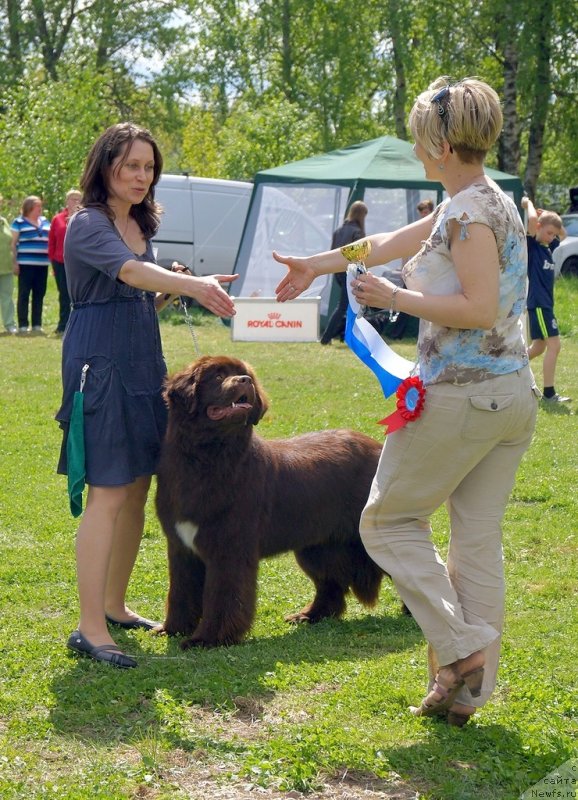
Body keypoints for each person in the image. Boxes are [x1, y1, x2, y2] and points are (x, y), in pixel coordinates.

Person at [273, 77, 538, 727]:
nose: (416, 151)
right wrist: (317, 262)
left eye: (420, 140)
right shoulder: (477, 200)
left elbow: (475, 308)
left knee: (386, 523)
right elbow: (387, 242)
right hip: (508, 398)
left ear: (442, 145)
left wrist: (396, 300)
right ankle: (465, 694)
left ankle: (460, 649)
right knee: (475, 544)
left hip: (463, 397)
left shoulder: (468, 213)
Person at [56, 122, 237, 669]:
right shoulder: (88, 223)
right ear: (105, 165)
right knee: (108, 493)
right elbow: (128, 272)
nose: (141, 176)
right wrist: (192, 285)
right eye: (130, 165)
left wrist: (169, 287)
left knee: (136, 486)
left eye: (149, 167)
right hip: (101, 366)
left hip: (144, 364)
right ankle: (89, 628)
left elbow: (137, 292)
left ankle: (112, 606)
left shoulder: (139, 221)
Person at [521, 196, 570, 403]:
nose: (552, 237)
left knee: (538, 347)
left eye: (552, 234)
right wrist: (528, 204)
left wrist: (550, 218)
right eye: (548, 233)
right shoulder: (532, 245)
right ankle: (549, 394)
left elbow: (563, 232)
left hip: (545, 305)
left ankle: (509, 365)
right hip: (539, 305)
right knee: (554, 345)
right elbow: (532, 221)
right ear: (538, 228)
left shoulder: (548, 247)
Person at [320, 201, 368, 345]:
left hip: (338, 271)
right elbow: (360, 256)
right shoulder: (357, 232)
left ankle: (344, 336)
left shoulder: (338, 231)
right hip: (351, 271)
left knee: (347, 305)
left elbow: (333, 251)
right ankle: (326, 337)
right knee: (346, 306)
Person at [11, 196, 51, 334]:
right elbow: (13, 244)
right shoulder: (19, 222)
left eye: (40, 206)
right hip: (25, 264)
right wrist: (14, 262)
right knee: (24, 294)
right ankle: (23, 324)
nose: (40, 209)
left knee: (39, 294)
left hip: (42, 264)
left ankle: (37, 324)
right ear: (29, 208)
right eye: (37, 206)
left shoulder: (45, 221)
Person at [48, 189, 82, 334]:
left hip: (79, 263)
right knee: (64, 294)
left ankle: (78, 324)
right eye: (73, 199)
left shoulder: (84, 217)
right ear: (67, 201)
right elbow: (52, 242)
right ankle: (63, 324)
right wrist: (52, 263)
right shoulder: (58, 219)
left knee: (78, 294)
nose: (76, 202)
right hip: (60, 261)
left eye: (78, 199)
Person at [0, 195, 16, 334]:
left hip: (6, 266)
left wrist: (14, 261)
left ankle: (9, 323)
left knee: (7, 297)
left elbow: (11, 243)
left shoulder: (4, 221)